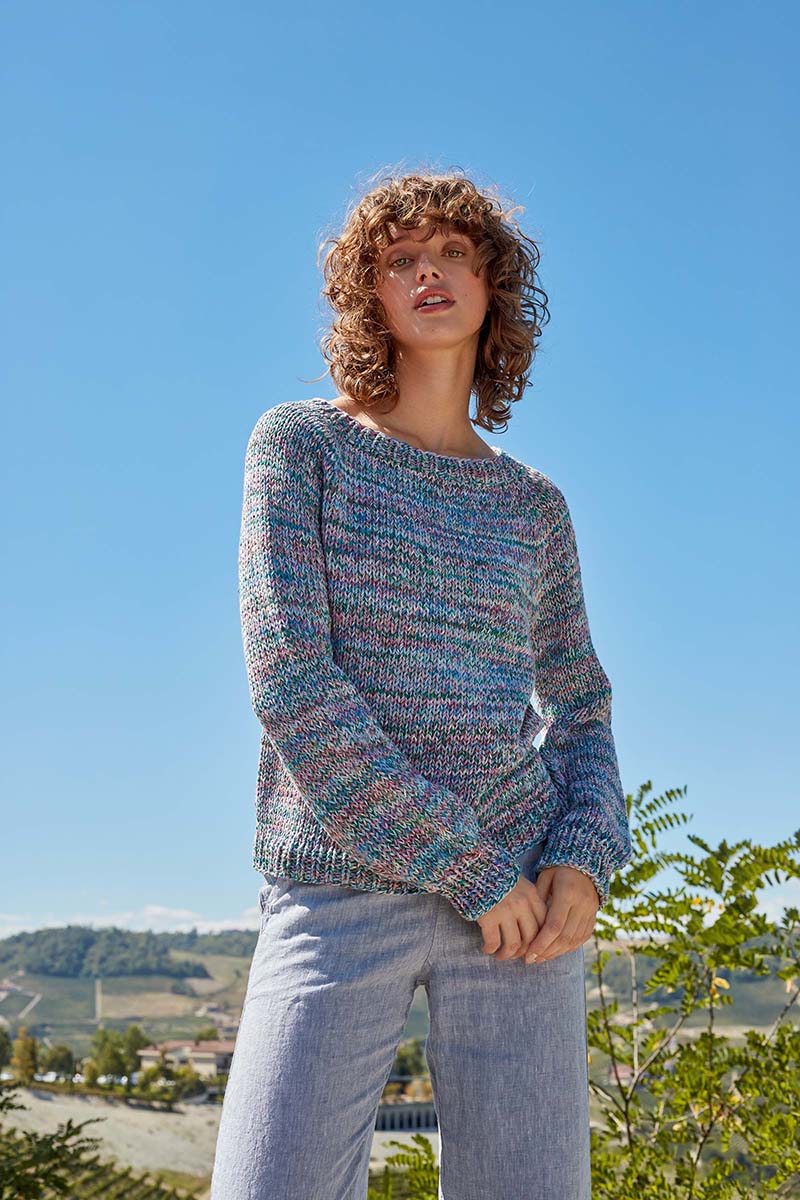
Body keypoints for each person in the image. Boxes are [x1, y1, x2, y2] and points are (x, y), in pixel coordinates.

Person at [210, 168, 632, 1200]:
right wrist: (462, 864)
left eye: (452, 253)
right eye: (400, 259)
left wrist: (580, 859)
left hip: (523, 915)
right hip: (340, 885)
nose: (428, 271)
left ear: (493, 287)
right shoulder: (300, 446)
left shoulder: (532, 507)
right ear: (371, 294)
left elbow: (580, 704)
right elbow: (291, 679)